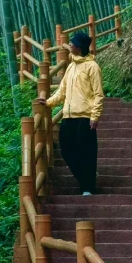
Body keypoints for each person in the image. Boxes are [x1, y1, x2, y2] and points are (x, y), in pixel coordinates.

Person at [47, 29, 103, 195]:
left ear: (80, 47)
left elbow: (98, 94)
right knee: (66, 150)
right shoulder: (71, 67)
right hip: (68, 116)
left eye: (73, 43)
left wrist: (95, 115)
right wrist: (48, 102)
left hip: (85, 116)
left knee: (86, 151)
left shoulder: (92, 67)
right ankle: (86, 179)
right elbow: (62, 91)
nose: (69, 45)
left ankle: (88, 187)